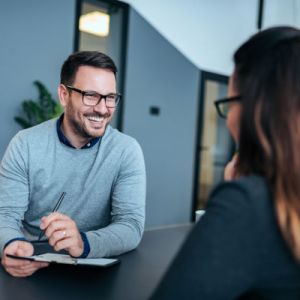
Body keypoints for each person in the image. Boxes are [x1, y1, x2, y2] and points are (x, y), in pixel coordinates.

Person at [151, 26, 300, 299]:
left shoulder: (248, 205)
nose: (228, 119)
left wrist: (239, 194)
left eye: (230, 103)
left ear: (256, 108)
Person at [0, 51, 146, 277]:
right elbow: (5, 215)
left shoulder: (126, 151)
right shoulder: (25, 144)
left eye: (109, 97)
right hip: (31, 265)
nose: (102, 108)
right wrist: (11, 243)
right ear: (63, 95)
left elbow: (130, 226)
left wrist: (83, 243)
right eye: (90, 95)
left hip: (94, 272)